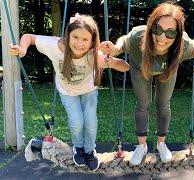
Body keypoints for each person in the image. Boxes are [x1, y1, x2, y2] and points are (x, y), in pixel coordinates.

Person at [9, 13, 130, 171]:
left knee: (91, 122)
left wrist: (111, 60)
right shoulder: (55, 46)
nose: (79, 44)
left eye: (85, 39)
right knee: (76, 121)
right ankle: (78, 148)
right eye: (75, 37)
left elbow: (125, 67)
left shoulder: (95, 55)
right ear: (68, 36)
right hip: (67, 91)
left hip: (89, 89)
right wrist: (22, 49)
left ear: (92, 41)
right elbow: (29, 37)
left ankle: (89, 150)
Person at [100, 2, 194, 165]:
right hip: (141, 68)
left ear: (178, 34)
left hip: (167, 70)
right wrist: (115, 49)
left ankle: (161, 143)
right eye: (157, 29)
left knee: (163, 104)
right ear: (151, 26)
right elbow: (123, 43)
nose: (162, 38)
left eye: (170, 32)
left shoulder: (182, 45)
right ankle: (142, 145)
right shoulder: (139, 36)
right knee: (143, 104)